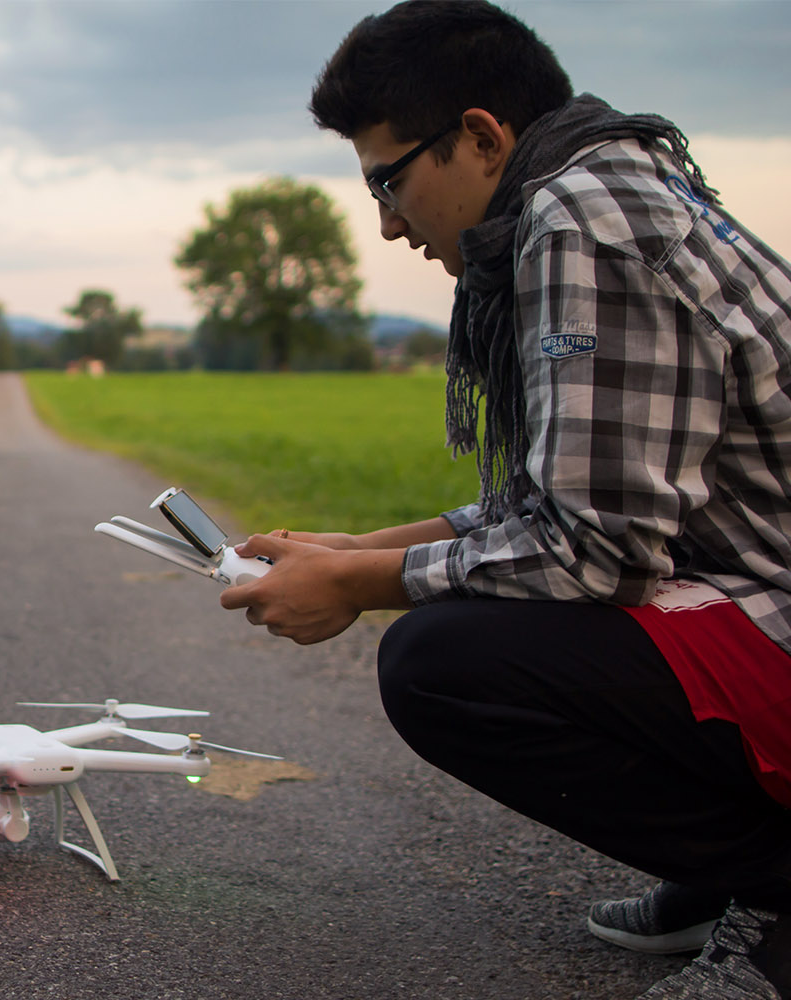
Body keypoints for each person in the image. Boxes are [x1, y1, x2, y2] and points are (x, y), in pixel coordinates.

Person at [217, 2, 791, 997]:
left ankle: (778, 890)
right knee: (470, 616)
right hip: (749, 590)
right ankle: (728, 866)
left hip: (769, 618)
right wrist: (356, 546)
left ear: (480, 136)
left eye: (389, 181)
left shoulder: (581, 224)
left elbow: (593, 552)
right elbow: (559, 500)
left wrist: (359, 585)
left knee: (444, 663)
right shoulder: (605, 185)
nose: (388, 223)